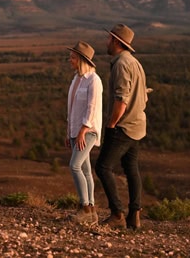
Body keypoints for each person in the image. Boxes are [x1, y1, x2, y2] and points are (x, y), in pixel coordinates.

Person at [95, 24, 150, 229]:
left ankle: (117, 213)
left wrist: (111, 124)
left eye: (108, 39)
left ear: (116, 41)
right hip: (137, 125)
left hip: (123, 126)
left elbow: (121, 99)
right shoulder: (135, 62)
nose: (106, 42)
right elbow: (143, 94)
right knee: (131, 168)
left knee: (102, 166)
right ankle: (134, 215)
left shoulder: (120, 64)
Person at [65, 41, 103, 225]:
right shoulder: (76, 79)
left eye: (73, 57)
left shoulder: (94, 80)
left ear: (81, 60)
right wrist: (69, 132)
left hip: (88, 131)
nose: (70, 60)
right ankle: (92, 211)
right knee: (86, 170)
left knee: (75, 166)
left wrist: (82, 131)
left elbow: (91, 108)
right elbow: (72, 108)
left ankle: (85, 207)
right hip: (75, 131)